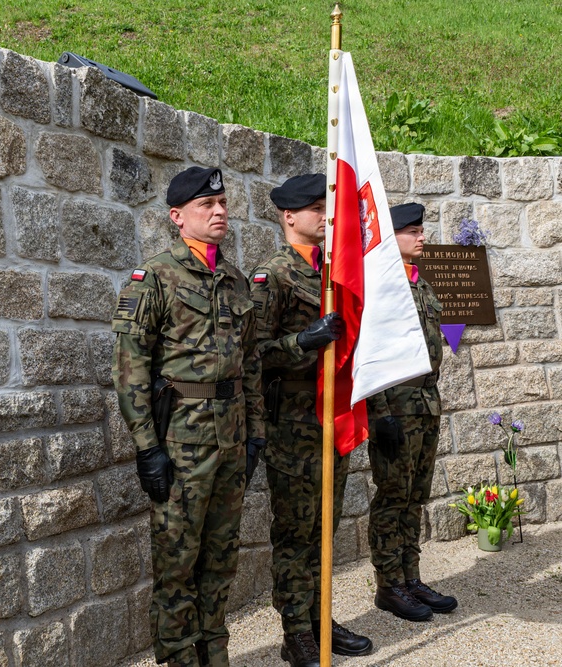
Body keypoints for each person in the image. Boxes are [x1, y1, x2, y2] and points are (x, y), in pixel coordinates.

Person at [112, 166, 265, 667]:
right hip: (181, 444)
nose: (220, 212)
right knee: (177, 562)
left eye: (222, 203)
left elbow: (252, 365)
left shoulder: (237, 280)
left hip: (231, 438)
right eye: (207, 205)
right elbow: (130, 367)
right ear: (178, 217)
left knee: (221, 559)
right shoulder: (155, 276)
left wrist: (255, 436)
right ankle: (179, 658)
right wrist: (146, 448)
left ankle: (214, 654)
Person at [249, 173, 372, 667]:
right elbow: (252, 354)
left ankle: (322, 616)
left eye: (328, 208)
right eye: (316, 209)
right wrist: (304, 342)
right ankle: (296, 629)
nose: (326, 217)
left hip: (331, 416)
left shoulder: (333, 272)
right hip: (293, 426)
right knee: (297, 531)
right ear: (289, 216)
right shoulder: (273, 276)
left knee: (328, 524)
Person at [368, 203, 457, 621]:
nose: (422, 237)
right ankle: (389, 586)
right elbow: (372, 354)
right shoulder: (383, 286)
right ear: (393, 237)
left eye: (422, 231)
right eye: (413, 231)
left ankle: (411, 576)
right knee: (392, 496)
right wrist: (380, 412)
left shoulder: (420, 284)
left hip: (425, 404)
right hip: (396, 408)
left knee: (415, 496)